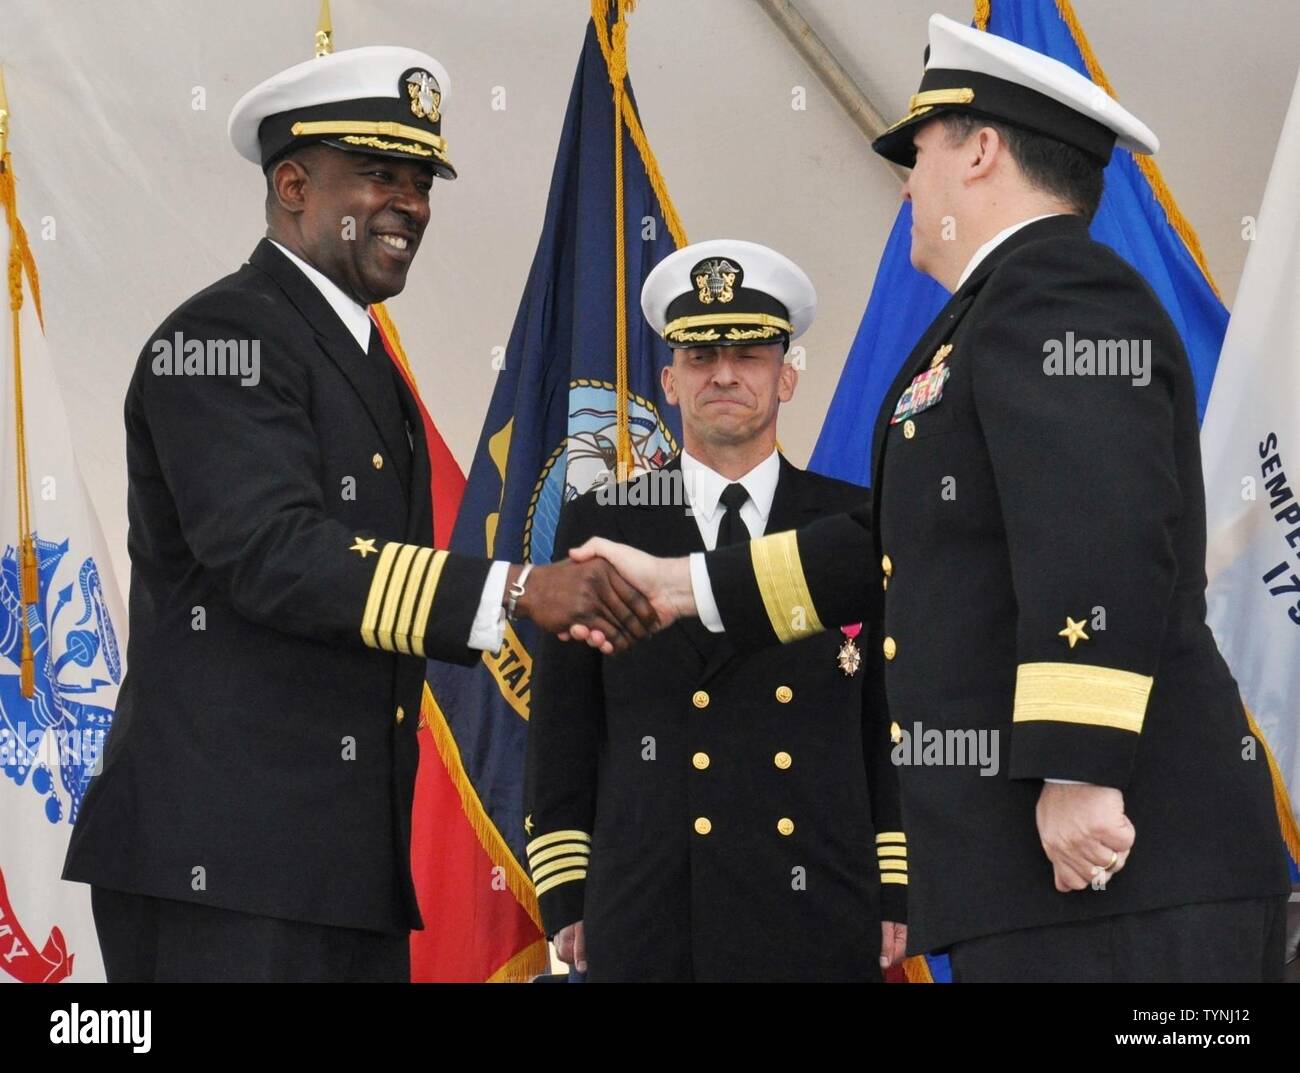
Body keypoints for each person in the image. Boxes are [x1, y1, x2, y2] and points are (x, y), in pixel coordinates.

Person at [564, 15, 1292, 982]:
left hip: (1118, 868)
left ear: (982, 150)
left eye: (920, 154)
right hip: (1047, 882)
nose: (907, 184)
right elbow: (892, 546)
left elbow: (1102, 532)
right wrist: (680, 585)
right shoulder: (996, 312)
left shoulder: (1056, 294)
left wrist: (1081, 766)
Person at [61, 45, 655, 982]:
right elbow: (275, 553)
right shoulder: (219, 339)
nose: (411, 203)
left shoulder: (364, 361)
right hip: (223, 865)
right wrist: (514, 590)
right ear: (293, 184)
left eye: (421, 181)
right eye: (379, 174)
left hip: (339, 873)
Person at [523, 241, 907, 981]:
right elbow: (564, 724)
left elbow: (888, 719)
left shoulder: (854, 525)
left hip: (818, 890)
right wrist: (567, 889)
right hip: (651, 899)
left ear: (787, 375)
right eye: (700, 356)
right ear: (669, 380)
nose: (724, 373)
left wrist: (894, 875)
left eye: (751, 353)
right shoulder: (604, 522)